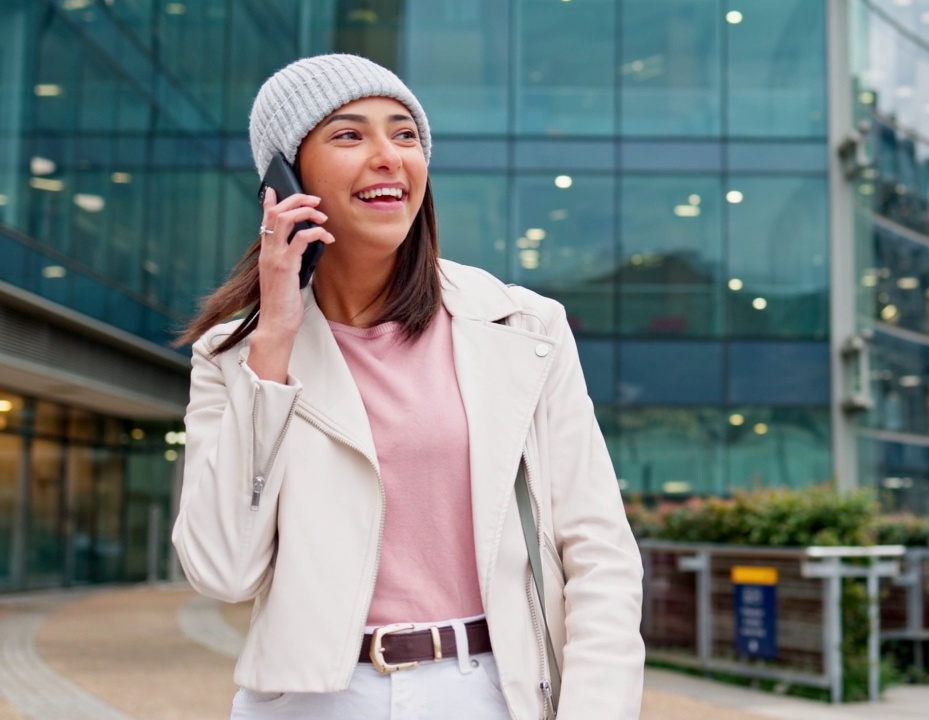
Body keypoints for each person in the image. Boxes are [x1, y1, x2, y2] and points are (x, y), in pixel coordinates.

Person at [172, 54, 644, 720]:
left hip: (487, 692)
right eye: (348, 134)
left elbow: (599, 553)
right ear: (284, 177)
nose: (389, 156)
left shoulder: (520, 326)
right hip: (310, 703)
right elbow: (222, 569)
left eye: (404, 134)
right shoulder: (235, 355)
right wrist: (272, 345)